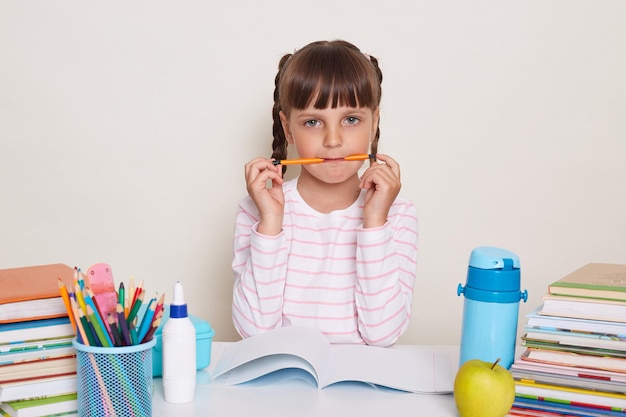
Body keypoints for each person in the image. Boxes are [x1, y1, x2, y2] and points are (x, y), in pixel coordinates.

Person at [231, 40, 418, 347]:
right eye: (314, 122)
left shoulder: (397, 214)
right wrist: (270, 225)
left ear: (374, 124)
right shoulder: (258, 211)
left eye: (351, 119)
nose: (333, 140)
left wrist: (374, 223)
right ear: (288, 128)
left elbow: (382, 334)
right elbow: (253, 332)